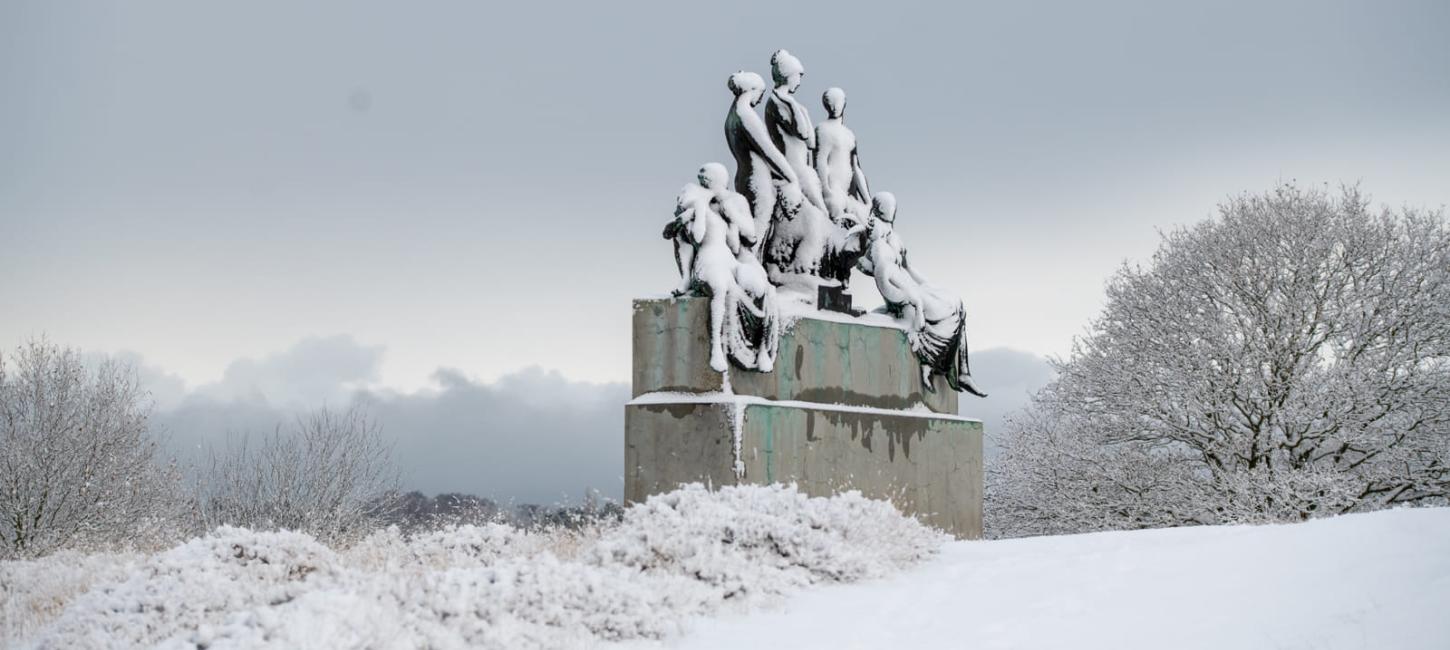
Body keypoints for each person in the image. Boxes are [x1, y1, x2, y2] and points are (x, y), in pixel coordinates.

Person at [859, 193, 987, 396]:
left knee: (956, 304)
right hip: (906, 299)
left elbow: (909, 269)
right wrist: (912, 299)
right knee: (953, 309)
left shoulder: (895, 240)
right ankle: (938, 364)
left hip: (915, 290)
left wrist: (929, 286)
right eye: (886, 209)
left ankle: (961, 371)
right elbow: (884, 283)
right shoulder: (877, 248)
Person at [725, 71, 796, 253]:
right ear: (752, 90)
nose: (760, 99)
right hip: (757, 179)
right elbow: (769, 152)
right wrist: (791, 177)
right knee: (757, 232)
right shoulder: (746, 115)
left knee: (754, 229)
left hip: (744, 176)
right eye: (761, 94)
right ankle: (749, 269)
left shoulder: (732, 115)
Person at [814, 87, 871, 226]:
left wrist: (867, 199)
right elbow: (820, 162)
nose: (834, 106)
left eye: (837, 102)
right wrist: (827, 192)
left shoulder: (849, 135)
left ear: (844, 103)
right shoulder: (823, 130)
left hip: (848, 196)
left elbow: (856, 168)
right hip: (833, 195)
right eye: (829, 102)